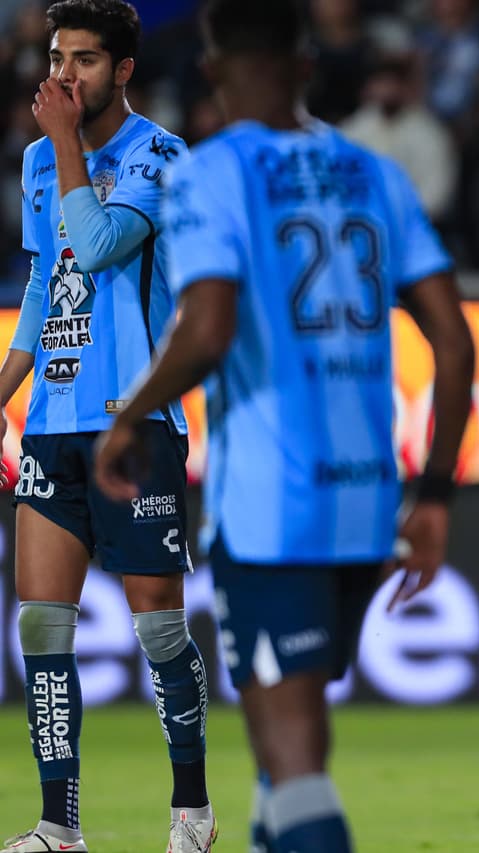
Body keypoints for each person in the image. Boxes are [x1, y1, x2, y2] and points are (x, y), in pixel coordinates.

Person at [91, 1, 476, 851]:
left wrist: (129, 412)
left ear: (213, 66)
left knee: (293, 757)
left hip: (272, 503)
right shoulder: (376, 173)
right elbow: (454, 344)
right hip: (369, 504)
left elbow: (208, 327)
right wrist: (437, 492)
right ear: (306, 66)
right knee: (285, 748)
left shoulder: (212, 171)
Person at [0, 2, 216, 851]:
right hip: (53, 422)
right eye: (56, 57)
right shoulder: (36, 162)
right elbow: (48, 290)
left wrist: (63, 144)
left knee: (160, 627)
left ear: (123, 69)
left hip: (136, 424)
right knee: (40, 627)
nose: (64, 76)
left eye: (84, 60)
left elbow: (96, 247)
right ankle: (60, 825)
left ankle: (190, 811)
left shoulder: (162, 157)